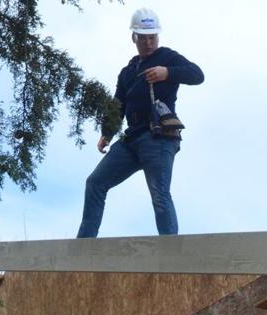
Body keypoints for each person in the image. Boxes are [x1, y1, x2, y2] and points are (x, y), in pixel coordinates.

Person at [76, 7, 204, 238]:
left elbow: (197, 74)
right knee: (95, 183)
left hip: (158, 138)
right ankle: (84, 245)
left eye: (152, 37)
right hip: (131, 140)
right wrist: (107, 132)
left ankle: (170, 252)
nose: (148, 43)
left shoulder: (167, 57)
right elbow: (118, 104)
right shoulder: (128, 71)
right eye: (143, 38)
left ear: (158, 36)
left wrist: (167, 72)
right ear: (133, 37)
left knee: (159, 193)